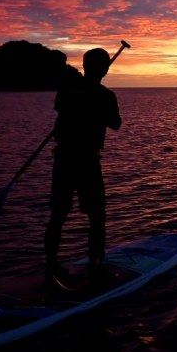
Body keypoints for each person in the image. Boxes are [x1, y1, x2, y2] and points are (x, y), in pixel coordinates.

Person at [44, 47, 121, 286]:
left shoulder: (69, 89)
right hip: (86, 161)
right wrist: (95, 102)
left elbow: (60, 107)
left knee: (58, 214)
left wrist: (86, 98)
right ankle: (96, 264)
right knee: (96, 215)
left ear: (85, 66)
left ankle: (51, 264)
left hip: (63, 160)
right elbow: (116, 123)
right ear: (104, 69)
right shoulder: (104, 95)